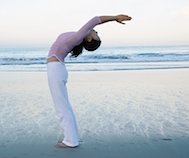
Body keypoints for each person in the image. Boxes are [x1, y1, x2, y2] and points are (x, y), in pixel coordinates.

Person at [47, 14, 132, 148]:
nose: (96, 32)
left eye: (96, 35)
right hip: (57, 68)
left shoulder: (77, 37)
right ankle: (72, 138)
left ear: (88, 38)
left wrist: (115, 17)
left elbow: (95, 20)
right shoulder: (77, 37)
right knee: (65, 106)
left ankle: (70, 141)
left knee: (62, 108)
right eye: (97, 33)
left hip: (55, 69)